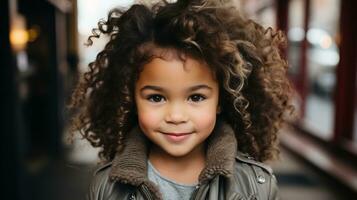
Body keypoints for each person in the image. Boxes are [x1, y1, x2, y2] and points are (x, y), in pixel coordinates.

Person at [69, 0, 294, 199]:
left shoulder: (256, 186)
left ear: (220, 101)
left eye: (196, 97)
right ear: (131, 100)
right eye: (156, 97)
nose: (176, 116)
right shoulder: (106, 188)